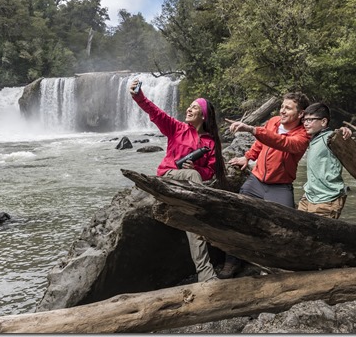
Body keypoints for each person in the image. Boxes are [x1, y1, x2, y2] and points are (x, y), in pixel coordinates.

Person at [129, 79, 227, 282]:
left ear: (203, 115)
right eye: (189, 106)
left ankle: (205, 272)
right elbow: (155, 113)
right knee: (193, 178)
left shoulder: (210, 142)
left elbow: (210, 171)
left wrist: (196, 167)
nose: (189, 109)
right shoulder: (176, 128)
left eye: (194, 107)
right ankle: (201, 217)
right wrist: (138, 96)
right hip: (169, 176)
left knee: (193, 216)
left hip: (191, 188)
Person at [221, 92, 311, 278]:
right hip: (255, 181)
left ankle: (276, 269)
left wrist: (252, 129)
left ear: (300, 114)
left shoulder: (302, 136)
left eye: (288, 108)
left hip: (280, 186)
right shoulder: (273, 121)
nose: (282, 110)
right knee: (238, 218)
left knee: (284, 230)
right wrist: (247, 157)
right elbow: (260, 144)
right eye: (282, 106)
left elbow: (282, 143)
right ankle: (232, 262)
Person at [297, 102, 352, 219]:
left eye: (310, 120)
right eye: (304, 120)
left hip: (327, 199)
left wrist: (344, 130)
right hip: (308, 196)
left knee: (319, 236)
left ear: (323, 122)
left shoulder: (329, 138)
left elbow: (339, 135)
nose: (305, 123)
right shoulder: (313, 138)